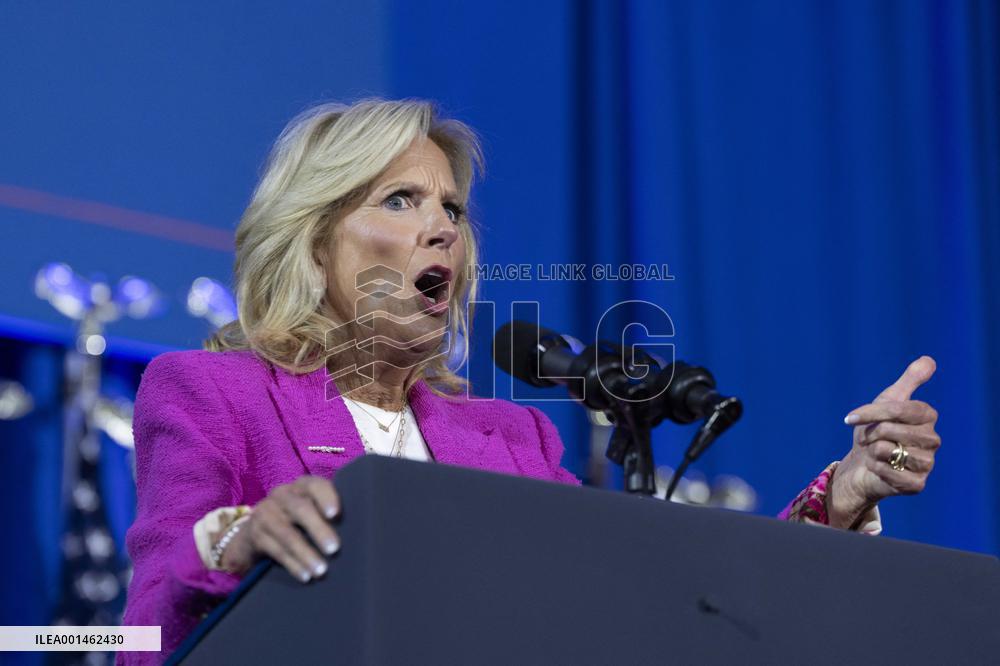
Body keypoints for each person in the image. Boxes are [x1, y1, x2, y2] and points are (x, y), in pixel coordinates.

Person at [117, 99, 942, 664]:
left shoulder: (513, 438)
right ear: (314, 241)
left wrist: (842, 499)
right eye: (400, 200)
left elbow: (665, 614)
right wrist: (234, 543)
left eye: (452, 209)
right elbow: (139, 638)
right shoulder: (210, 393)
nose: (442, 228)